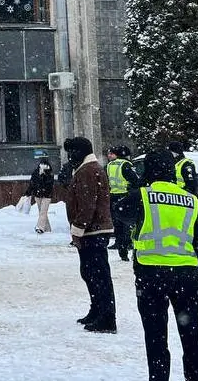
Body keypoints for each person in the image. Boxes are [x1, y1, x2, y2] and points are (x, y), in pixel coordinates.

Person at [130, 149, 198, 381]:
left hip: (150, 274)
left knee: (156, 337)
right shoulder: (192, 200)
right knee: (192, 334)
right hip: (186, 274)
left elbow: (120, 214)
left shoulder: (142, 196)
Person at [61, 136, 115, 333]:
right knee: (90, 273)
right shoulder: (87, 169)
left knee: (98, 275)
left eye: (71, 152)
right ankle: (98, 309)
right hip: (92, 230)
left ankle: (106, 316)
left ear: (79, 152)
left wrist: (78, 228)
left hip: (94, 231)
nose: (69, 157)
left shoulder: (88, 171)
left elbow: (87, 204)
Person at [106, 145, 140, 261]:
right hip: (125, 196)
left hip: (113, 197)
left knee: (118, 225)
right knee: (128, 225)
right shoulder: (126, 165)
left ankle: (122, 251)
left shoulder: (110, 165)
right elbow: (135, 180)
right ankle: (128, 245)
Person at [24, 153, 56, 234]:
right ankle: (47, 228)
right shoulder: (36, 172)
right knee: (42, 212)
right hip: (38, 195)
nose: (42, 167)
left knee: (43, 212)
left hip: (46, 196)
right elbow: (32, 183)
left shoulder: (49, 173)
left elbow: (49, 185)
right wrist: (28, 192)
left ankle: (40, 227)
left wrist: (44, 176)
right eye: (42, 165)